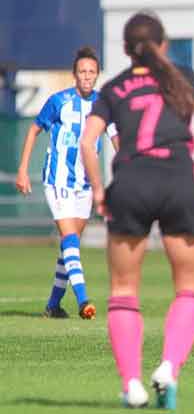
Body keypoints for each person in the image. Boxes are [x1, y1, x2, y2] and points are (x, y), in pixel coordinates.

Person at [80, 12, 194, 408]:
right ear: (162, 45)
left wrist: (98, 191)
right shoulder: (181, 77)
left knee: (124, 291)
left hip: (131, 181)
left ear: (126, 50)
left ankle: (132, 385)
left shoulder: (113, 89)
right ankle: (168, 368)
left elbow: (88, 143)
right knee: (189, 287)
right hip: (178, 178)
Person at [15, 46, 118, 320]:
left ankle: (53, 305)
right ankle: (84, 300)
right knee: (70, 239)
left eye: (91, 72)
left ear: (97, 75)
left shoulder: (102, 106)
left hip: (85, 186)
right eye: (82, 71)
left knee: (68, 247)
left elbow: (116, 139)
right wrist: (23, 169)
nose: (86, 76)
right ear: (75, 75)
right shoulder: (59, 101)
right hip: (58, 181)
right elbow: (35, 129)